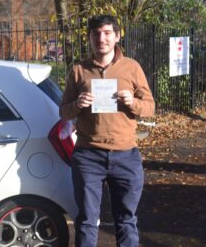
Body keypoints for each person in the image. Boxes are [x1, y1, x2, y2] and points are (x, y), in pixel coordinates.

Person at [60, 15, 155, 247]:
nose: (101, 38)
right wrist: (77, 105)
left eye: (106, 33)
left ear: (117, 36)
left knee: (126, 220)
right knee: (87, 221)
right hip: (88, 156)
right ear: (90, 37)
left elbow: (150, 108)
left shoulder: (132, 68)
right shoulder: (78, 71)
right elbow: (64, 112)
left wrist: (132, 102)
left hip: (126, 155)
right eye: (96, 33)